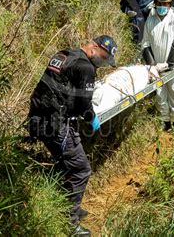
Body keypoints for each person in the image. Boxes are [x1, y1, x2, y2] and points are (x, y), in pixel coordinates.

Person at [27, 35, 118, 236]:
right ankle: (70, 224)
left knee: (65, 164)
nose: (102, 64)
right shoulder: (85, 68)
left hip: (37, 118)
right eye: (103, 58)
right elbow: (84, 106)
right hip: (54, 124)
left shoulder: (65, 54)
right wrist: (92, 119)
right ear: (94, 48)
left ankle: (67, 207)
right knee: (81, 170)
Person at [141, 0, 174, 131]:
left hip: (173, 64)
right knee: (160, 95)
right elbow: (145, 44)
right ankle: (165, 121)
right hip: (157, 66)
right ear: (155, 5)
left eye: (165, 4)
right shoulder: (150, 20)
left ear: (169, 5)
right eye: (159, 4)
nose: (162, 6)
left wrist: (168, 64)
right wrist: (152, 65)